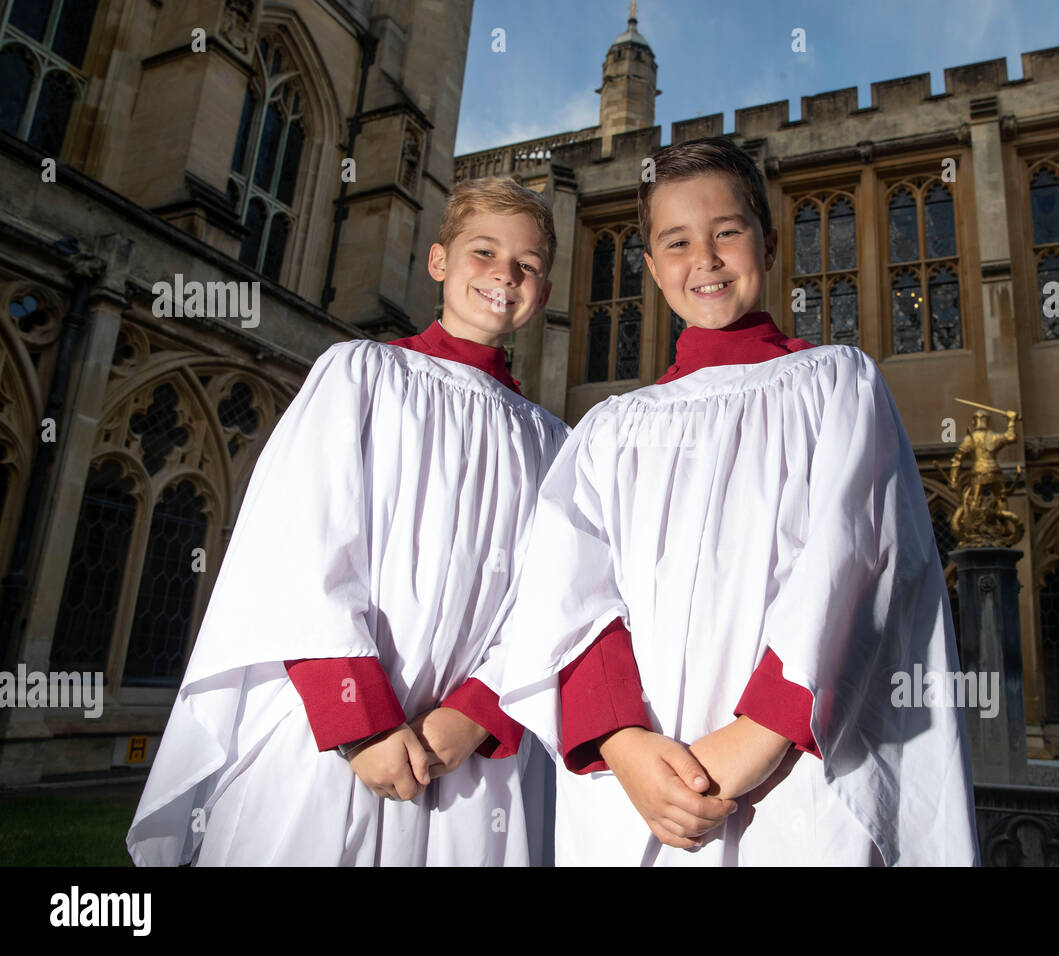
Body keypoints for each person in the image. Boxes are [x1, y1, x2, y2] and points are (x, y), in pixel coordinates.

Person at [497, 138, 980, 866]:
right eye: (678, 242)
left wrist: (755, 739)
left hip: (792, 778)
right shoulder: (609, 430)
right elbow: (566, 596)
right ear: (653, 269)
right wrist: (624, 744)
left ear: (768, 241)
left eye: (727, 231)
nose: (707, 260)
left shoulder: (835, 384)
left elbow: (856, 563)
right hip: (637, 790)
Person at [127, 178, 569, 866]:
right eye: (484, 252)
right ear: (439, 261)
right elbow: (299, 545)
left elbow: (554, 598)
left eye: (529, 266)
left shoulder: (552, 441)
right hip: (329, 739)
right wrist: (358, 722)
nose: (505, 276)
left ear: (543, 289)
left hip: (471, 762)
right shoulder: (361, 374)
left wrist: (476, 715)